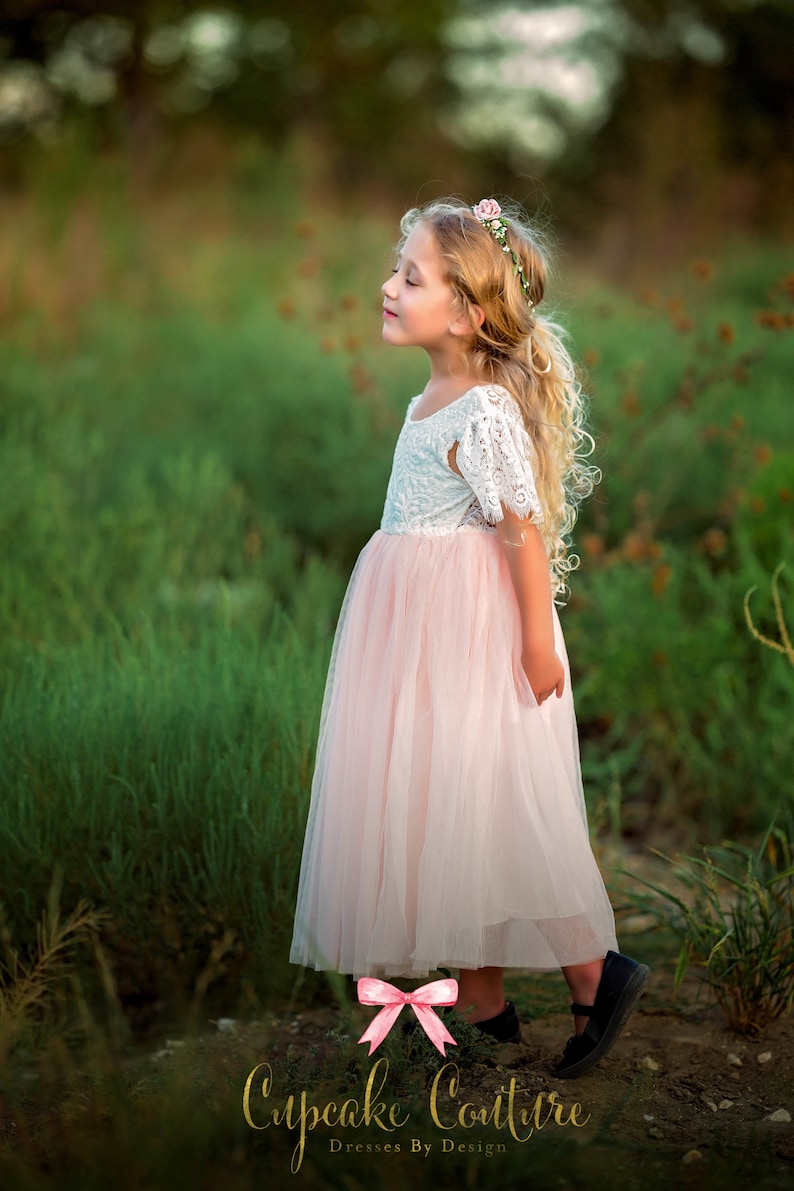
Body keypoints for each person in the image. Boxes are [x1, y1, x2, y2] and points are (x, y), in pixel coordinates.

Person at [289, 197, 649, 1078]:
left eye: (409, 277)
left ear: (466, 313)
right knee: (445, 808)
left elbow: (520, 529)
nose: (387, 286)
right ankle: (482, 998)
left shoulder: (481, 411)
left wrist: (535, 640)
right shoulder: (433, 395)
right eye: (394, 269)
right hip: (415, 631)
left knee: (499, 807)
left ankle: (599, 973)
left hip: (468, 638)